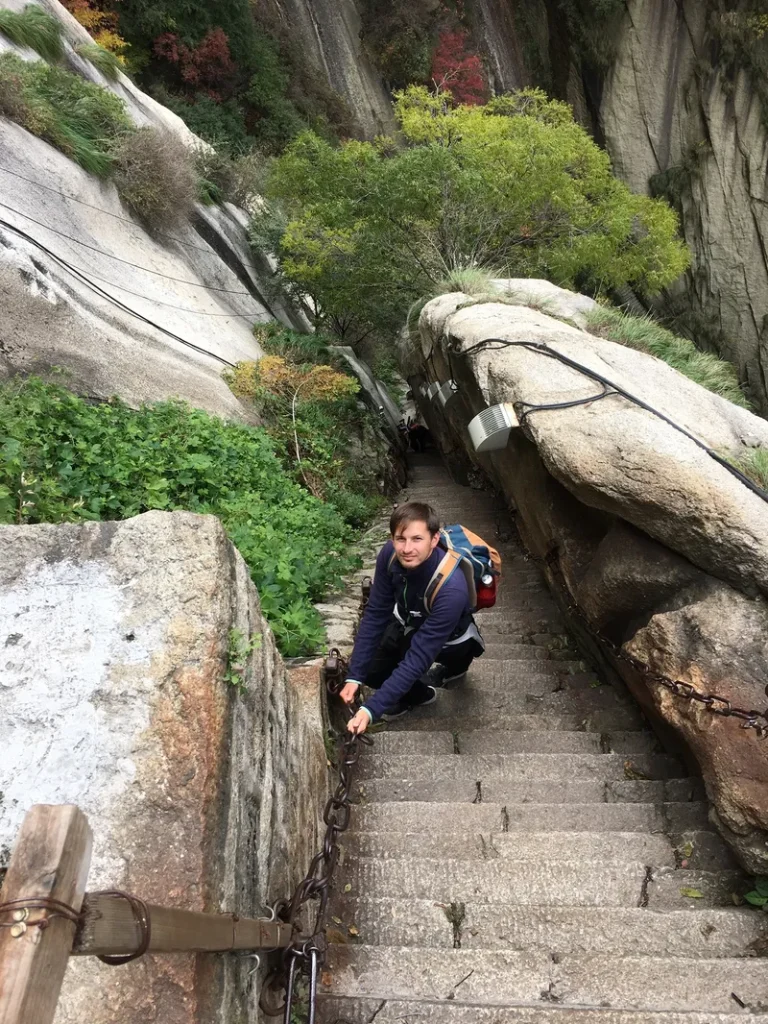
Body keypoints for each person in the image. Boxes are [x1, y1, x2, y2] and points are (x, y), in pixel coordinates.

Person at [340, 502, 485, 734]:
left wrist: (371, 709)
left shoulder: (452, 589)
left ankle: (457, 667)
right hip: (409, 619)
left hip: (450, 635)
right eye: (401, 539)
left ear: (434, 539)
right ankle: (420, 695)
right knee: (371, 669)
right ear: (392, 538)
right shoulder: (390, 555)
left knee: (427, 654)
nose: (407, 548)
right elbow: (376, 613)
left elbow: (419, 655)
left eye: (417, 539)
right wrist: (355, 675)